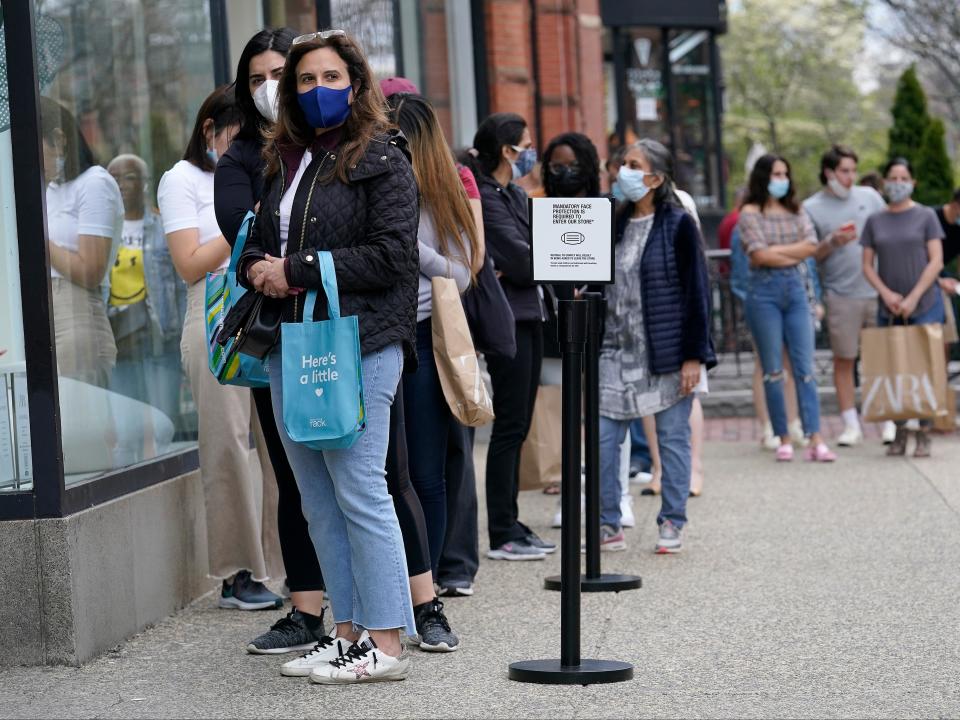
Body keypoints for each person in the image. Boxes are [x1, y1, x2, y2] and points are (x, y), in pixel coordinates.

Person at [239, 30, 421, 683]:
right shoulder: (287, 160)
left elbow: (395, 256)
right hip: (294, 342)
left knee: (361, 490)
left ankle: (389, 642)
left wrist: (298, 268)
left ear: (356, 83)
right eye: (306, 81)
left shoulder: (382, 157)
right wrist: (263, 266)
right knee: (318, 498)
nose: (320, 90)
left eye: (331, 78)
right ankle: (345, 633)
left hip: (361, 340)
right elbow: (265, 241)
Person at [212, 27, 332, 655]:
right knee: (294, 471)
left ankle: (412, 603)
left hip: (349, 325)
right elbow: (243, 231)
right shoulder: (242, 158)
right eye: (256, 77)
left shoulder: (342, 143)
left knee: (375, 471)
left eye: (280, 73)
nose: (270, 87)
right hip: (276, 332)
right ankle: (306, 609)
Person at [157, 85, 283, 612]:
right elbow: (188, 262)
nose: (244, 144)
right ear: (209, 130)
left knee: (281, 444)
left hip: (267, 306)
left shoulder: (272, 168)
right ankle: (237, 573)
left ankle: (286, 567)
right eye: (236, 132)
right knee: (228, 443)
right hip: (211, 310)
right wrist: (246, 218)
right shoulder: (180, 180)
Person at [598, 138, 716, 554]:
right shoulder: (611, 220)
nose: (622, 171)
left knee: (672, 439)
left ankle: (672, 520)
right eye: (622, 163)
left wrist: (693, 357)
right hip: (614, 349)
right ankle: (607, 523)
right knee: (602, 439)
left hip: (665, 352)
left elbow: (697, 293)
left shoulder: (678, 223)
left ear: (655, 178)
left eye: (633, 165)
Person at [387, 92, 482, 582]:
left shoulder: (445, 194)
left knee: (426, 473)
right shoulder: (374, 185)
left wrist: (412, 248)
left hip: (424, 341)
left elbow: (463, 274)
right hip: (375, 338)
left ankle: (426, 587)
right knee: (380, 477)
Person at [463, 112, 553, 561]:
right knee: (510, 423)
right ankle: (502, 528)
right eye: (526, 144)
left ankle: (511, 520)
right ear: (507, 150)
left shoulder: (513, 193)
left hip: (530, 312)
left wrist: (538, 257)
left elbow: (537, 250)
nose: (531, 152)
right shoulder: (487, 198)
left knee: (519, 421)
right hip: (509, 320)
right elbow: (522, 258)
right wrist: (537, 258)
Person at [739, 154, 836, 463]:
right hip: (763, 294)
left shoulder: (798, 210)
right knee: (773, 370)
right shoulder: (750, 212)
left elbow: (811, 246)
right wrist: (790, 253)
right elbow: (757, 256)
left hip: (796, 291)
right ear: (763, 177)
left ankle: (815, 438)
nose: (781, 179)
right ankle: (782, 437)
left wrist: (777, 252)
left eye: (785, 173)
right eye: (775, 174)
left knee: (805, 368)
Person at [803, 145, 889, 447]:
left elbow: (888, 234)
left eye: (853, 170)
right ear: (829, 172)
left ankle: (886, 419)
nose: (851, 176)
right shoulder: (811, 207)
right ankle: (850, 423)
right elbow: (809, 254)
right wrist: (831, 242)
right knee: (844, 360)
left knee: (879, 358)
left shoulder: (871, 197)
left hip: (876, 290)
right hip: (841, 295)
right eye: (844, 171)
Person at [860, 158, 945, 457]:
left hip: (923, 303)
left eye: (904, 177)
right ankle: (898, 431)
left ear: (912, 182)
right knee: (892, 365)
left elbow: (936, 260)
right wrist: (887, 295)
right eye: (893, 178)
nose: (898, 183)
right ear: (884, 183)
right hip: (889, 306)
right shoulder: (875, 221)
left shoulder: (925, 216)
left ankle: (924, 431)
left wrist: (912, 296)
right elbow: (867, 265)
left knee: (924, 365)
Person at [40, 97, 121, 388]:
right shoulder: (49, 188)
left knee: (83, 424)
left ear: (59, 141)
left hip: (75, 310)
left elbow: (90, 270)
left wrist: (39, 241)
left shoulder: (93, 182)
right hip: (43, 309)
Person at [106, 154, 186, 443]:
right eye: (113, 178)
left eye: (128, 177)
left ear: (143, 183)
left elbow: (179, 286)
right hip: (119, 342)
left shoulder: (163, 228)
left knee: (164, 424)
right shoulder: (103, 231)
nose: (120, 185)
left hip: (158, 338)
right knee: (126, 433)